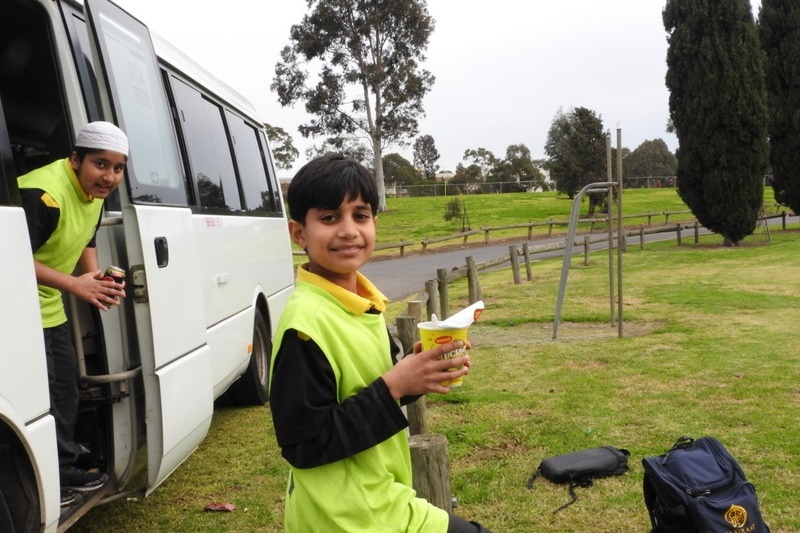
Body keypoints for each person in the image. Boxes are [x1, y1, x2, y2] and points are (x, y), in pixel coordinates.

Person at [269, 153, 493, 533]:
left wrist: (416, 373)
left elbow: (361, 393)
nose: (348, 230)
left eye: (360, 215)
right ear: (298, 234)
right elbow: (303, 445)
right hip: (348, 517)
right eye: (328, 217)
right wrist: (396, 385)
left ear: (375, 222)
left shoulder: (361, 303)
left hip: (376, 496)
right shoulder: (304, 326)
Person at [17, 121, 128, 506]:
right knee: (39, 402)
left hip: (48, 306)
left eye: (118, 168)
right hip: (15, 310)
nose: (109, 177)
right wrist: (74, 285)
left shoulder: (94, 193)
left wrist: (92, 276)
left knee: (65, 393)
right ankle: (51, 483)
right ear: (76, 158)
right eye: (101, 164)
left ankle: (62, 472)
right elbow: (9, 255)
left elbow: (87, 235)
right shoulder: (43, 194)